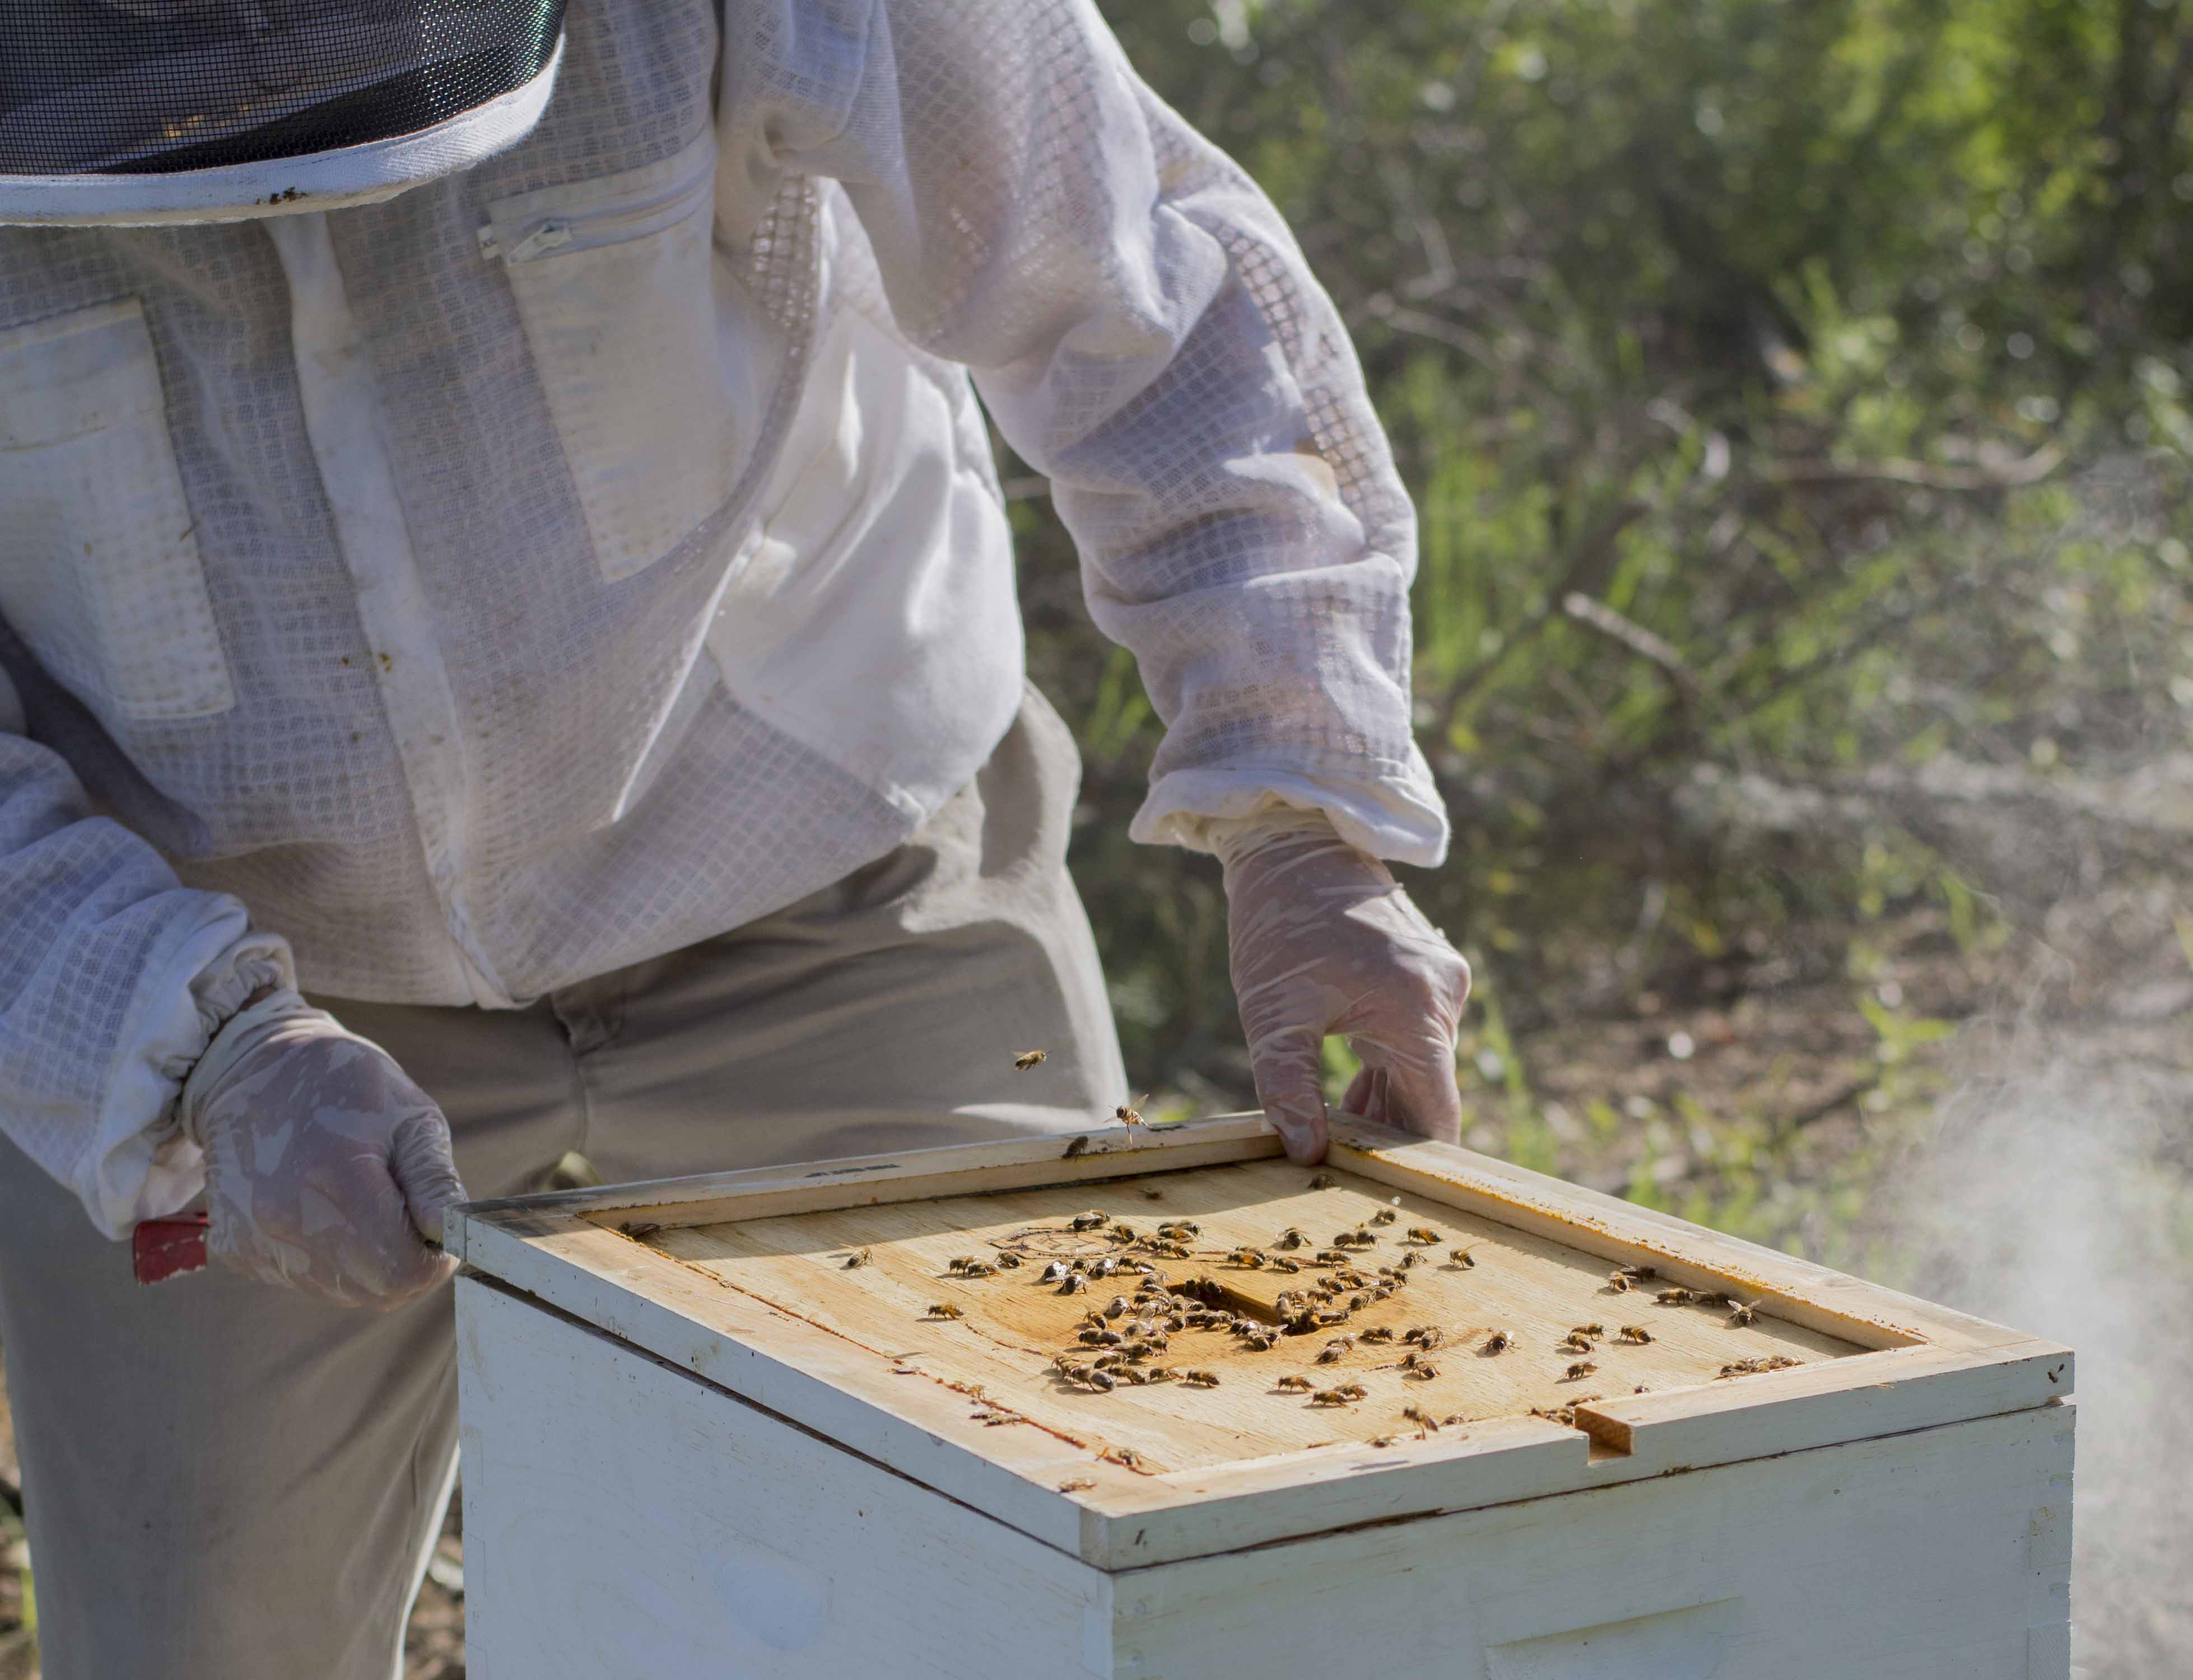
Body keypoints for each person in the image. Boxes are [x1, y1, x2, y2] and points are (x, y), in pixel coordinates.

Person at [0, 0, 1472, 1673]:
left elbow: (1138, 295)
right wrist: (191, 1049)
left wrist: (1301, 821)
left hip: (832, 883)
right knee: (204, 1639)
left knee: (1026, 1573)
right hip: (221, 967)